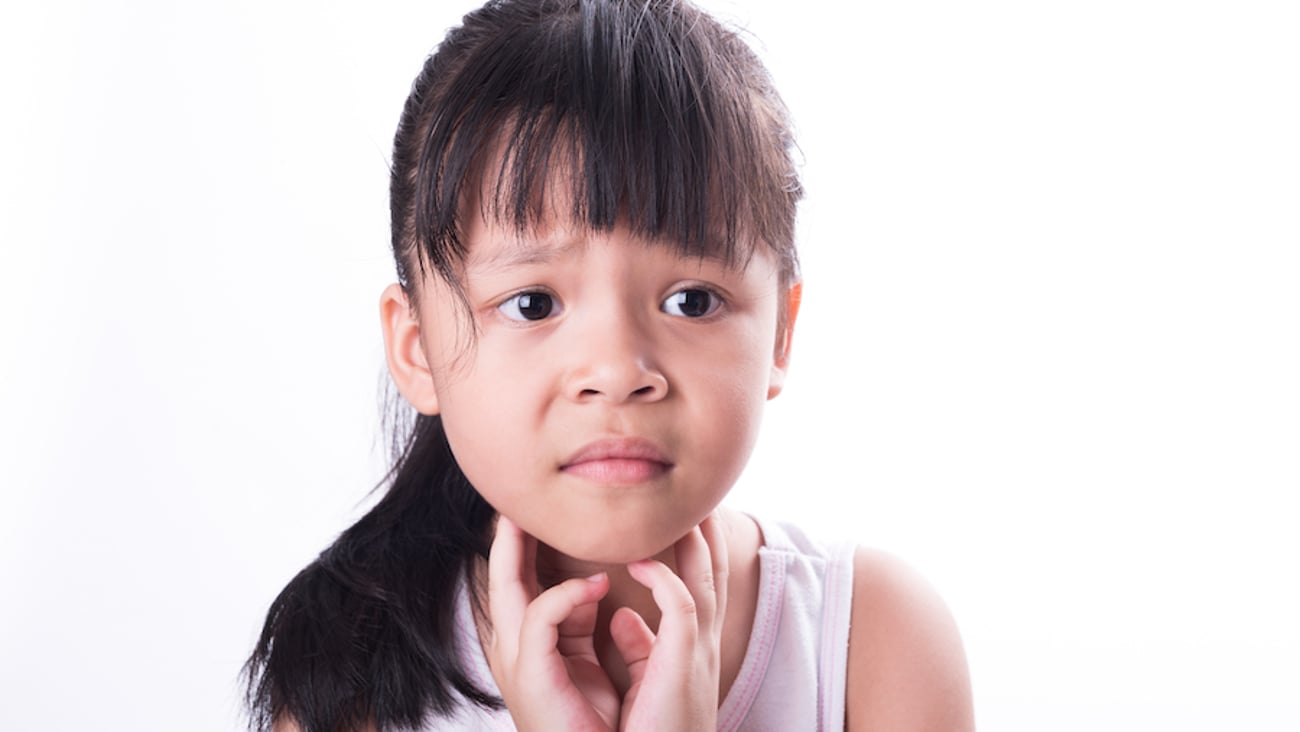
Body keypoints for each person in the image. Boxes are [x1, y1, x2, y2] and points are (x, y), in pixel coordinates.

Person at [245, 0, 974, 729]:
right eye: (533, 304)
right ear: (418, 349)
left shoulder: (870, 641)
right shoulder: (352, 678)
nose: (619, 371)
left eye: (692, 300)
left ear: (781, 330)